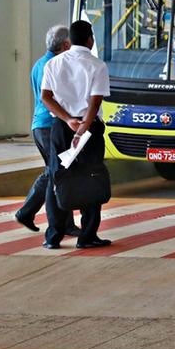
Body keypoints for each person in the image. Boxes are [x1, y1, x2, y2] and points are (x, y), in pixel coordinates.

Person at [39, 20, 112, 249]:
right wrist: (82, 128)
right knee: (90, 179)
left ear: (69, 41)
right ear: (90, 40)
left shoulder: (54, 64)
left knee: (57, 178)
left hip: (62, 129)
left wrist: (67, 119)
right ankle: (87, 236)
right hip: (88, 129)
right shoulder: (97, 65)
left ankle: (53, 237)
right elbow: (94, 102)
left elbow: (46, 97)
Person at [14, 25, 79, 237]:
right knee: (58, 173)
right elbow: (55, 98)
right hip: (51, 126)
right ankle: (29, 213)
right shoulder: (56, 65)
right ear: (66, 45)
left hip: (38, 125)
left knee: (55, 172)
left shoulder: (38, 64)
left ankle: (59, 222)